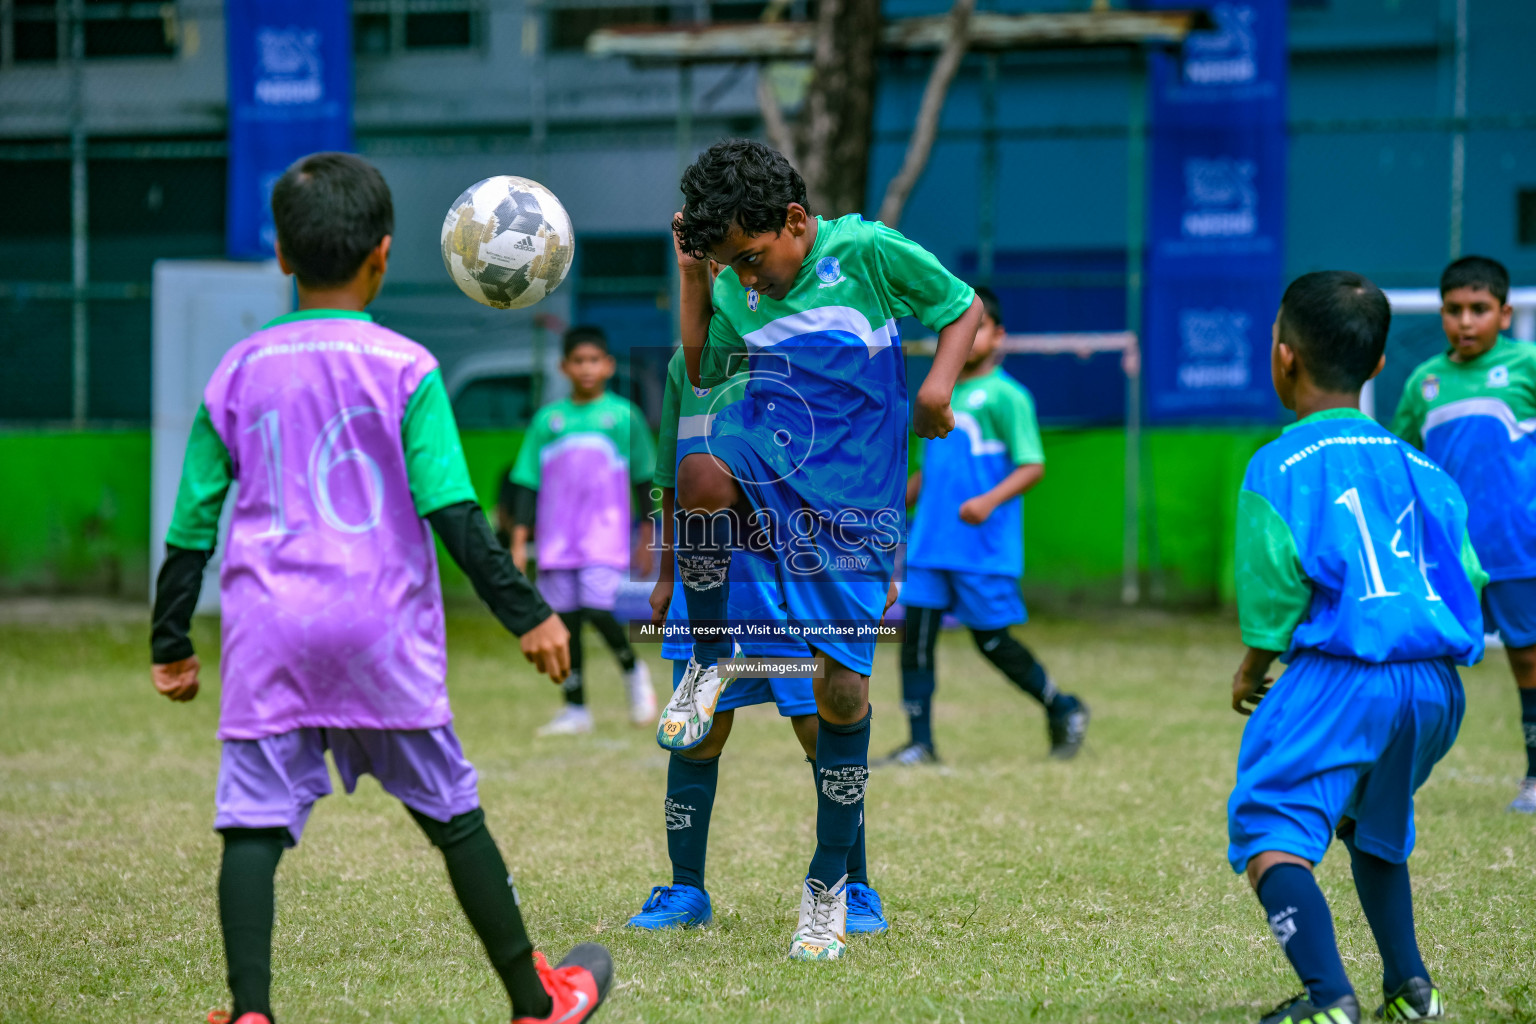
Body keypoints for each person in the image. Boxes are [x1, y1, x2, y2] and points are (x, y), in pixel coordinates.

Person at [148, 152, 611, 1024]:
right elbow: (454, 511)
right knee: (453, 813)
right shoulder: (407, 367)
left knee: (252, 825)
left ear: (282, 255)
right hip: (381, 632)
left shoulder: (236, 371)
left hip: (270, 633)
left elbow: (189, 526)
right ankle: (534, 1001)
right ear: (385, 255)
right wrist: (530, 612)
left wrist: (169, 641)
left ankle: (251, 1013)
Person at [663, 139, 982, 960]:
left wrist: (939, 387)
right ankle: (707, 661)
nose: (746, 275)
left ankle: (831, 886)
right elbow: (700, 370)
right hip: (770, 476)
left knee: (841, 698)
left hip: (855, 516)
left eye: (750, 256)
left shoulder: (867, 252)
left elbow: (960, 307)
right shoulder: (734, 286)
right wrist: (696, 276)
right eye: (729, 263)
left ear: (796, 222)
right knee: (701, 473)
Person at [1229, 271, 1486, 1024]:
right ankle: (1412, 991)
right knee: (1371, 822)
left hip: (1347, 672)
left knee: (1270, 825)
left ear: (1283, 358)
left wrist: (1251, 669)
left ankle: (1327, 999)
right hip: (1435, 685)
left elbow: (1272, 593)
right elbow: (1466, 571)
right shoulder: (1421, 465)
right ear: (1379, 367)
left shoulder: (1277, 464)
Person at [626, 342, 888, 934]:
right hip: (712, 587)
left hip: (797, 586)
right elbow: (671, 475)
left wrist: (872, 563)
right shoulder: (680, 364)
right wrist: (669, 572)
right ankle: (685, 889)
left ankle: (856, 889)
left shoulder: (804, 354)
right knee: (697, 734)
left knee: (825, 733)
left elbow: (855, 469)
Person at [883, 285, 1089, 767]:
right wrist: (888, 510)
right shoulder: (939, 394)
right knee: (914, 645)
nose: (967, 338)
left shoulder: (1008, 396)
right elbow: (927, 472)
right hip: (931, 544)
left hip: (979, 547)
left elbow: (1031, 464)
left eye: (978, 328)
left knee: (993, 642)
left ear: (998, 337)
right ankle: (920, 743)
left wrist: (987, 501)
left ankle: (1063, 706)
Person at [1389, 255, 1536, 814]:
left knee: (1527, 660)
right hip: (1445, 558)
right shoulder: (1424, 381)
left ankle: (1534, 777)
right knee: (1425, 663)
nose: (1466, 321)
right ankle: (1394, 777)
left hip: (1519, 548)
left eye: (1479, 309)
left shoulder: (1526, 364)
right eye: (1454, 310)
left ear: (1505, 313)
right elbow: (1398, 460)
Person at [508, 326, 658, 736]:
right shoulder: (547, 420)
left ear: (608, 366)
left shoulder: (625, 417)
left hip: (604, 537)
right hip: (556, 540)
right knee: (566, 622)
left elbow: (646, 481)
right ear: (564, 367)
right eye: (578, 361)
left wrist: (647, 536)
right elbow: (526, 482)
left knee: (597, 608)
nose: (587, 368)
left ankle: (632, 671)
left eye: (594, 360)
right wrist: (519, 542)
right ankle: (576, 709)